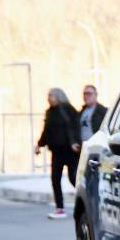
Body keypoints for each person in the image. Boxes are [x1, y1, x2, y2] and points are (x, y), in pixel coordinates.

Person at [36, 88, 80, 220]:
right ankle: (59, 208)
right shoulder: (49, 112)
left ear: (59, 96)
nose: (49, 98)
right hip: (56, 150)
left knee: (73, 178)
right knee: (55, 179)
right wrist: (39, 144)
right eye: (48, 96)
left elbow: (74, 127)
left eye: (51, 95)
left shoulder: (68, 109)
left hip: (69, 150)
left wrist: (75, 142)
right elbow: (46, 131)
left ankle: (86, 201)